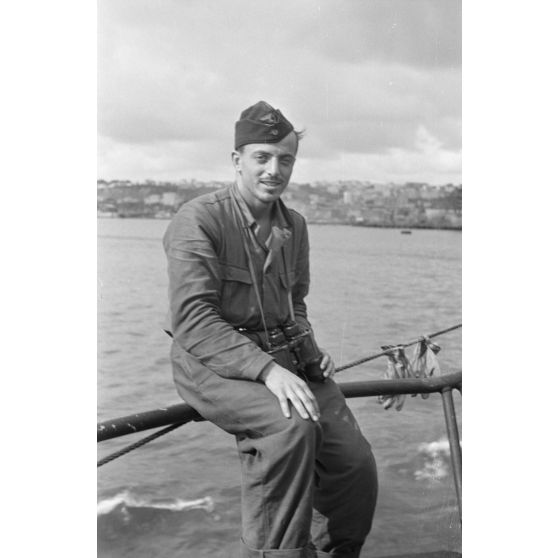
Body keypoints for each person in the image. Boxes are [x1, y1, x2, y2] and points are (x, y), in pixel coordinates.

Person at [163, 101, 378, 558]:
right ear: (237, 160)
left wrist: (312, 348)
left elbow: (294, 302)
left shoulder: (294, 226)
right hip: (211, 361)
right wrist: (266, 371)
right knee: (290, 429)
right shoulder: (198, 219)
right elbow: (193, 320)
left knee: (354, 465)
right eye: (262, 157)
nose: (273, 170)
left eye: (285, 160)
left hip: (288, 359)